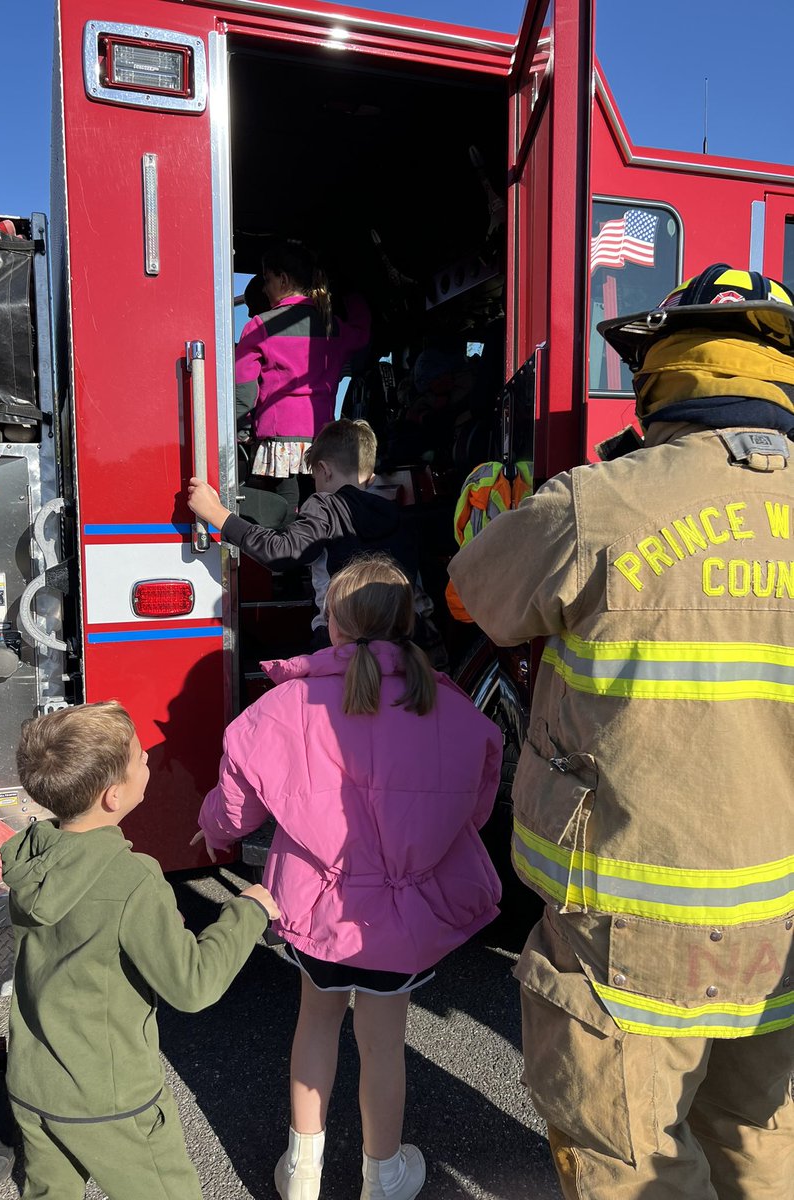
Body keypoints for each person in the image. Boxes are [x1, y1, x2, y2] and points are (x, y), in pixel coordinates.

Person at [448, 263, 794, 1199]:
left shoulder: (600, 501)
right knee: (760, 1149)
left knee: (629, 1158)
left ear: (660, 378)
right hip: (781, 924)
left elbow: (479, 593)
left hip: (628, 927)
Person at [195, 555, 503, 1200]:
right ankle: (382, 1174)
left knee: (316, 1021)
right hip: (406, 914)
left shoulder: (285, 704)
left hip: (316, 906)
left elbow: (237, 800)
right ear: (406, 623)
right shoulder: (452, 708)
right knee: (384, 1045)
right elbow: (475, 804)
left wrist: (216, 833)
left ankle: (302, 1172)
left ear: (332, 624)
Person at [1, 701, 279, 1200]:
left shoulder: (31, 857)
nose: (148, 756)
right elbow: (193, 986)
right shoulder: (133, 878)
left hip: (33, 1083)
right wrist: (248, 911)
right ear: (113, 796)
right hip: (110, 1097)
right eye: (139, 758)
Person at [187, 418, 425, 649]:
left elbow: (280, 553)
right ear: (371, 477)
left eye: (314, 479)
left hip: (340, 641)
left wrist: (217, 514)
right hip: (399, 641)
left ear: (324, 470)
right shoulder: (399, 516)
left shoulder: (326, 506)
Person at [236, 240, 371, 525]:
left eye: (267, 280)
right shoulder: (333, 327)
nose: (264, 288)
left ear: (283, 280)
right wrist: (348, 291)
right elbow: (362, 332)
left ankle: (287, 567)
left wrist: (237, 428)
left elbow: (244, 396)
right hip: (322, 444)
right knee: (320, 517)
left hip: (277, 445)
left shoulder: (258, 327)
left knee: (285, 520)